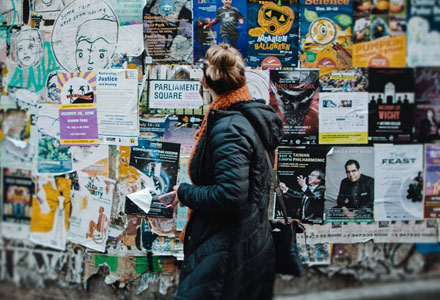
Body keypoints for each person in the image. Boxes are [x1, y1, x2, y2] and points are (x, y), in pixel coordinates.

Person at [171, 44, 283, 299]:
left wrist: (185, 192)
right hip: (243, 245)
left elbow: (231, 195)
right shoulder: (246, 117)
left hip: (224, 253)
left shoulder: (229, 128)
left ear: (205, 80)